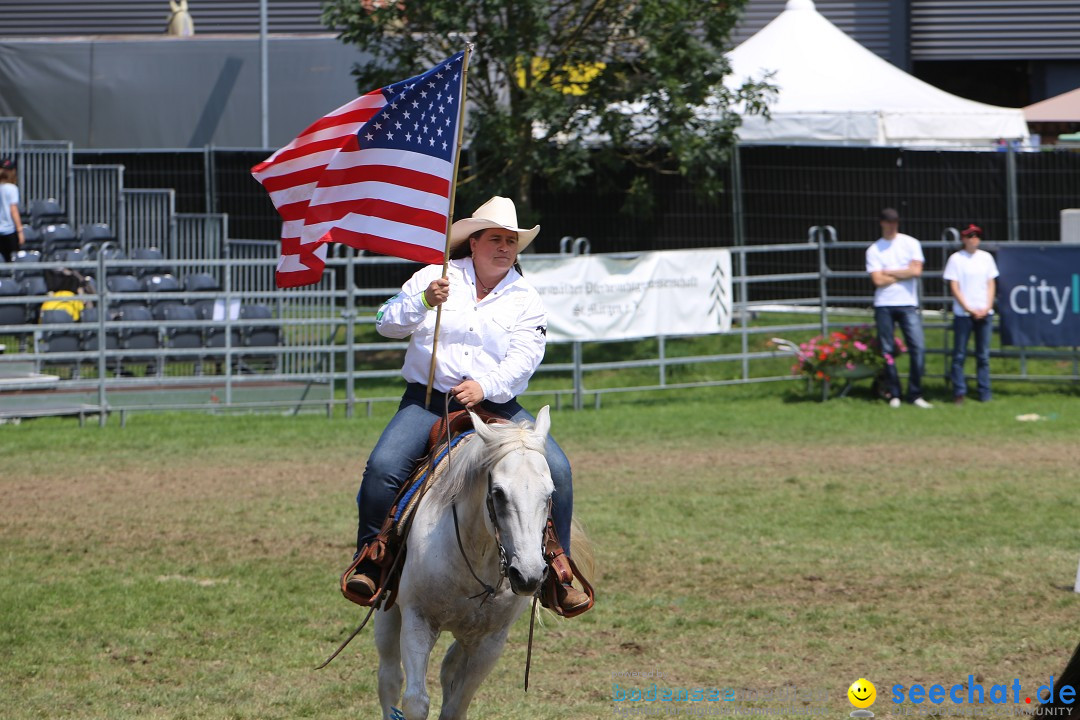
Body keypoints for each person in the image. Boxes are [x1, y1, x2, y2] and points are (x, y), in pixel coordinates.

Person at [344, 196, 590, 614]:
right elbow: (385, 322)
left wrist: (484, 386)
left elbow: (525, 358)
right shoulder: (434, 277)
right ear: (473, 243)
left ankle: (557, 567)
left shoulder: (525, 297)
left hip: (498, 404)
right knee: (383, 467)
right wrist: (422, 302)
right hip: (427, 402)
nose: (504, 248)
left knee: (559, 470)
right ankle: (373, 556)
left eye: (511, 241)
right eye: (495, 239)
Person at [865, 208, 932, 409]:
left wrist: (889, 272)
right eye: (888, 222)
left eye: (895, 221)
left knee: (918, 348)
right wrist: (904, 272)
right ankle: (894, 392)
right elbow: (877, 280)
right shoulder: (874, 249)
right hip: (884, 304)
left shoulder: (911, 243)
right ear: (882, 223)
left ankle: (915, 393)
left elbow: (916, 271)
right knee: (887, 350)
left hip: (908, 304)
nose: (892, 225)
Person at [943, 224, 998, 404]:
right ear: (964, 239)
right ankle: (959, 392)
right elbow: (954, 286)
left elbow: (991, 284)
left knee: (983, 356)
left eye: (976, 236)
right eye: (969, 236)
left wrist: (987, 306)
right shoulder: (956, 259)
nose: (973, 239)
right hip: (963, 314)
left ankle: (985, 393)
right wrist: (968, 308)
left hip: (985, 312)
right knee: (959, 354)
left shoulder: (986, 258)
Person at [0, 158, 24, 263]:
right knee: (11, 262)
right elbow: (13, 210)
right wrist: (20, 231)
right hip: (8, 231)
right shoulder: (12, 188)